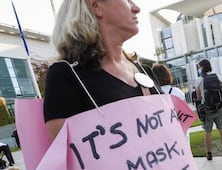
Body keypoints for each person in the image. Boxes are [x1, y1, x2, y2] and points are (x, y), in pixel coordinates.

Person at [44, 0, 162, 140]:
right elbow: (67, 154)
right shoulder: (66, 76)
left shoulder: (144, 71)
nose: (136, 8)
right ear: (96, 7)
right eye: (127, 1)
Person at [195, 59, 222, 160]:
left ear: (202, 67)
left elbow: (198, 97)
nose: (198, 69)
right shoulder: (217, 76)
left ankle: (209, 154)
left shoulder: (199, 80)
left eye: (199, 67)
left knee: (208, 132)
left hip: (207, 109)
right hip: (219, 108)